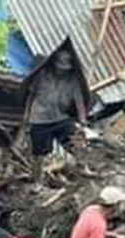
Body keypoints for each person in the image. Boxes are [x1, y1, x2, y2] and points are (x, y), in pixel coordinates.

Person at [28, 47, 89, 179]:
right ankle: (36, 179)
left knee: (75, 141)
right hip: (39, 118)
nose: (62, 71)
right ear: (54, 64)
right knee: (39, 153)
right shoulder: (42, 75)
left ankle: (83, 168)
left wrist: (82, 120)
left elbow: (79, 100)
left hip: (60, 117)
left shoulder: (72, 79)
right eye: (60, 68)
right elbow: (30, 95)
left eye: (65, 69)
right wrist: (26, 116)